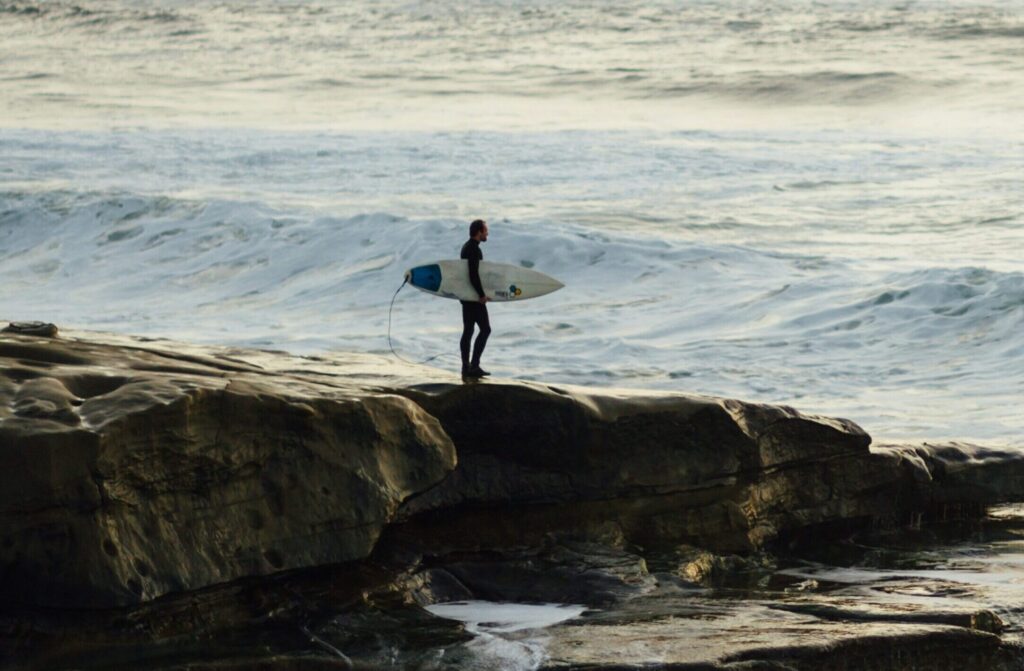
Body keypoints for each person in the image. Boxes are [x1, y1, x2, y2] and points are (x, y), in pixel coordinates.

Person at [460, 219, 491, 377]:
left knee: (468, 331)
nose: (487, 233)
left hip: (466, 296)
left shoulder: (467, 247)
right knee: (485, 329)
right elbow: (473, 274)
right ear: (479, 232)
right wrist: (481, 295)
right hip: (473, 297)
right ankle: (474, 365)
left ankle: (466, 367)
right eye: (486, 230)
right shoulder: (473, 249)